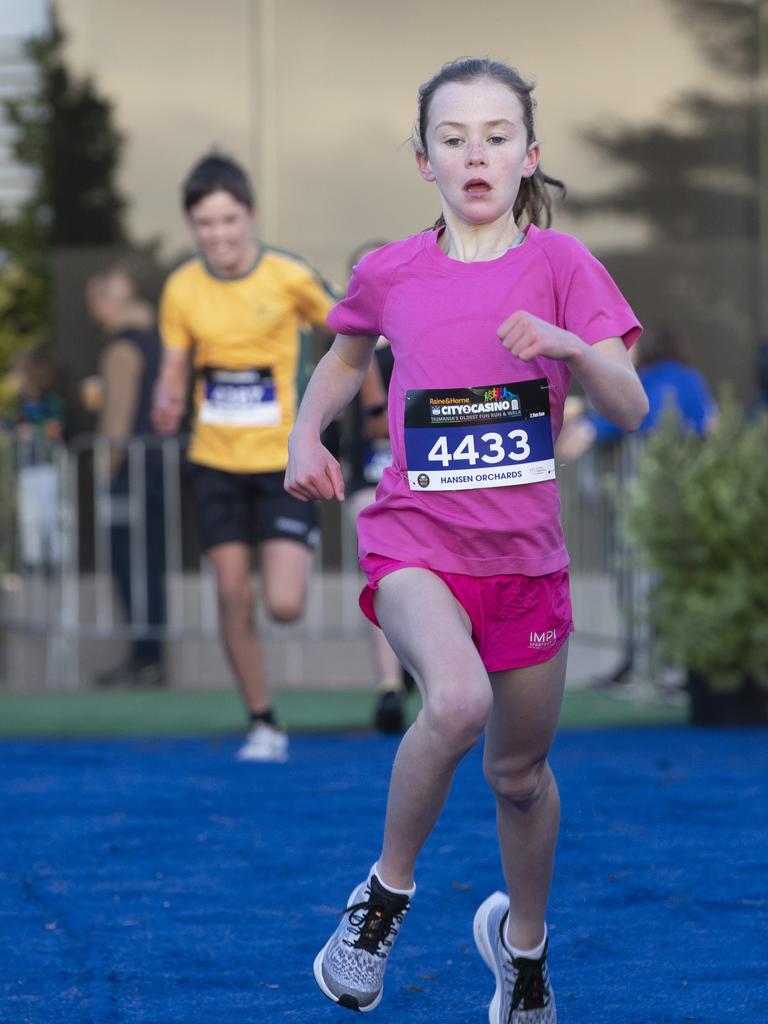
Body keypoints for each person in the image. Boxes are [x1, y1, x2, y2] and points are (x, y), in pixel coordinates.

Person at [285, 57, 648, 1021]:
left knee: (519, 777)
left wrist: (572, 347)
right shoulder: (391, 272)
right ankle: (380, 904)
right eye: (453, 139)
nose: (475, 154)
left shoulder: (568, 269)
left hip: (527, 567)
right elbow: (346, 353)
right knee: (453, 701)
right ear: (424, 162)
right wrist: (302, 433)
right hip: (417, 544)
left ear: (529, 157)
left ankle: (522, 954)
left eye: (495, 136)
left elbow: (633, 403)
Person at [152, 152, 336, 762]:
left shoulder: (287, 275)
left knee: (284, 605)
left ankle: (291, 551)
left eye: (229, 220)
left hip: (283, 460)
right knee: (232, 593)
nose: (219, 235)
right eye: (205, 224)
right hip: (215, 460)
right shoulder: (181, 287)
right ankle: (263, 721)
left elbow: (347, 328)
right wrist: (167, 399)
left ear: (250, 217)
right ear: (192, 227)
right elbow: (176, 366)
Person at [557, 325, 717, 689]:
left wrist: (586, 427)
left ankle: (645, 662)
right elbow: (712, 423)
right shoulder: (692, 380)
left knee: (642, 578)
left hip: (648, 501)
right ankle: (666, 660)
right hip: (689, 498)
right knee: (674, 578)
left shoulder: (653, 382)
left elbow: (628, 416)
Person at [84, 267, 167, 687]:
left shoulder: (120, 349)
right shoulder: (160, 343)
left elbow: (117, 416)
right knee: (151, 561)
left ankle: (144, 657)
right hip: (159, 468)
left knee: (130, 562)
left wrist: (104, 470)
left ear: (106, 302)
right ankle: (150, 656)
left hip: (129, 471)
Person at [342, 240, 409, 734]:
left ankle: (432, 686)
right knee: (380, 575)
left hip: (434, 480)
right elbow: (365, 428)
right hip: (371, 478)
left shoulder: (422, 335)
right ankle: (388, 686)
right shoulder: (350, 347)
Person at [10, 348, 65, 570]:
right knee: (30, 517)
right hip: (28, 466)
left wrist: (33, 431)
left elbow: (55, 427)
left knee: (50, 514)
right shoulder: (21, 403)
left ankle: (56, 559)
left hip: (47, 466)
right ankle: (33, 561)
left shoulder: (51, 402)